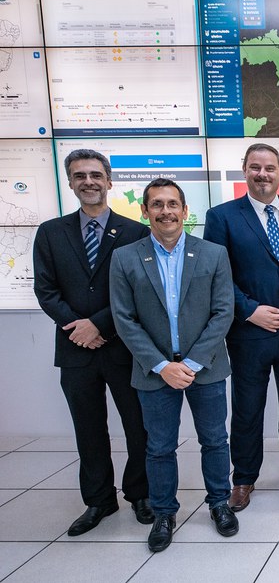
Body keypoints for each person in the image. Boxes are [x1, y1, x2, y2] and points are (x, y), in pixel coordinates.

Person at [110, 178, 237, 552]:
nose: (165, 211)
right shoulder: (126, 257)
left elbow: (223, 311)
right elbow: (124, 319)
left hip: (206, 367)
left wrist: (193, 363)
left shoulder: (213, 254)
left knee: (215, 440)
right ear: (145, 211)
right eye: (157, 204)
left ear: (184, 210)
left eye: (172, 204)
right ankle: (164, 513)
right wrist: (162, 365)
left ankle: (219, 503)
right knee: (159, 447)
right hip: (155, 371)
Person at [33, 148, 153, 536]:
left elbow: (139, 293)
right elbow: (45, 290)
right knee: (88, 429)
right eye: (80, 175)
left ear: (109, 181)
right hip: (75, 350)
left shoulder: (135, 232)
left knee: (138, 427)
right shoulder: (51, 233)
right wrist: (78, 328)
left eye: (95, 175)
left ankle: (140, 494)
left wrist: (98, 325)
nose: (88, 181)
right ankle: (99, 500)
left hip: (125, 347)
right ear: (70, 182)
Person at [204, 142, 279, 512]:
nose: (262, 174)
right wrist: (249, 310)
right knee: (248, 409)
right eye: (255, 167)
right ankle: (243, 478)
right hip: (249, 334)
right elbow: (216, 276)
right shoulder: (222, 217)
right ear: (244, 171)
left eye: (270, 168)